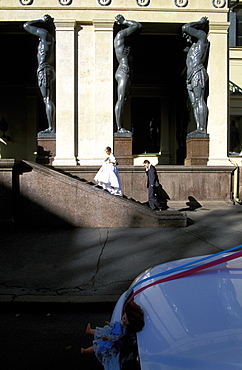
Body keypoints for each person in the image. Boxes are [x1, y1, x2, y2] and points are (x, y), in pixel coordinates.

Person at [81, 301, 144, 370]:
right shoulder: (122, 323)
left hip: (112, 341)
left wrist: (108, 338)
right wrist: (110, 324)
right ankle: (90, 331)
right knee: (101, 332)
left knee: (98, 346)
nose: (123, 318)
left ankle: (85, 350)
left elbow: (117, 337)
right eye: (124, 316)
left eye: (125, 319)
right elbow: (116, 323)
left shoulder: (124, 331)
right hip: (111, 332)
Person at [24, 15, 55, 133]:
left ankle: (51, 128)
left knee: (47, 99)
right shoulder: (48, 40)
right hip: (47, 69)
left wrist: (41, 21)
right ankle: (51, 127)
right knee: (48, 98)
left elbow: (26, 25)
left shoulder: (45, 36)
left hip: (44, 69)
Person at [114, 15, 142, 135]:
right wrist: (124, 21)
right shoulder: (120, 37)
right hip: (123, 70)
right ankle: (119, 128)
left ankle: (120, 127)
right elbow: (137, 25)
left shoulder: (126, 45)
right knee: (121, 99)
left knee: (123, 99)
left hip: (126, 71)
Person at [182, 17, 209, 138]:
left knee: (199, 100)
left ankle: (202, 128)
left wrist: (200, 23)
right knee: (194, 104)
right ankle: (199, 127)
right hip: (190, 76)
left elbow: (185, 27)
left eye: (187, 35)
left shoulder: (202, 40)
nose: (186, 36)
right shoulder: (191, 48)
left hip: (198, 73)